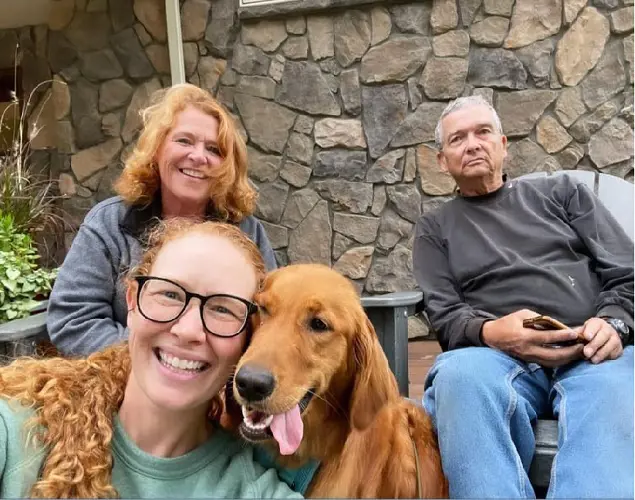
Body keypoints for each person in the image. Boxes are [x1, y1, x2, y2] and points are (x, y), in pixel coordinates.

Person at [412, 95, 634, 498]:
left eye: (483, 132)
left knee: (613, 391)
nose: (473, 144)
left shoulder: (562, 194)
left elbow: (627, 272)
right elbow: (445, 316)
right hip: (496, 358)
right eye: (458, 139)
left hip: (590, 346)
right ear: (442, 160)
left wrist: (614, 321)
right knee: (459, 379)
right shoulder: (435, 228)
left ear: (503, 143)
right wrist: (494, 332)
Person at [0, 219, 304, 498]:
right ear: (132, 302)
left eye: (223, 309)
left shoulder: (253, 489)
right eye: (170, 295)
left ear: (247, 337)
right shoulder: (20, 426)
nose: (188, 330)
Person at [47, 83, 276, 356]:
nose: (198, 156)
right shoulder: (109, 223)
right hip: (125, 384)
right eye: (184, 140)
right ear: (156, 150)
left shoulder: (247, 230)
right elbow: (73, 319)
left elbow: (269, 319)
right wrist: (160, 360)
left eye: (214, 149)